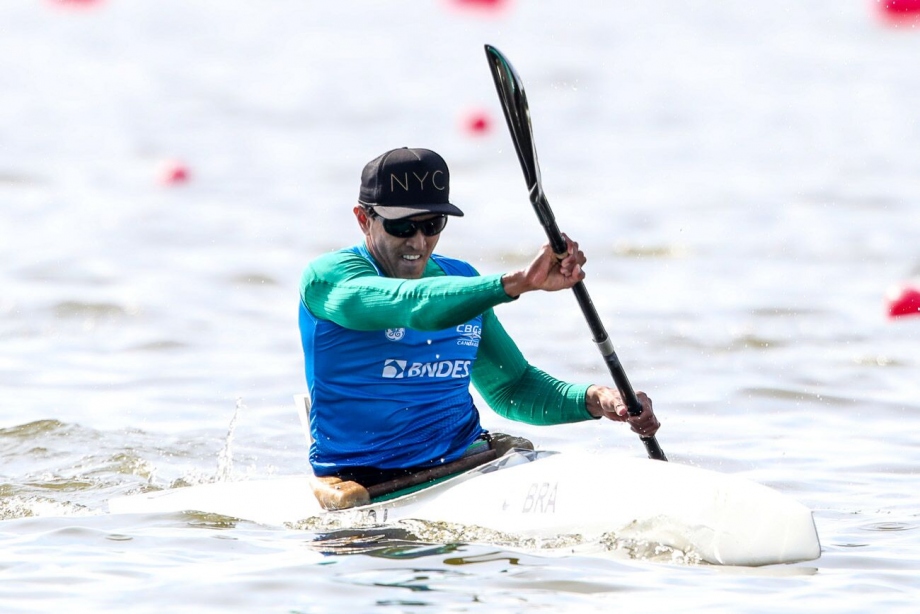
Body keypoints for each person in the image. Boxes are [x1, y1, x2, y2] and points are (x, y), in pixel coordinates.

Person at [298, 147, 659, 500]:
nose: (418, 242)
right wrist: (517, 283)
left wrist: (598, 399)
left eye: (431, 224)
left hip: (469, 461)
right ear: (364, 219)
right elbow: (413, 306)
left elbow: (512, 389)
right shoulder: (329, 279)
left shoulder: (461, 278)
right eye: (401, 225)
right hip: (366, 482)